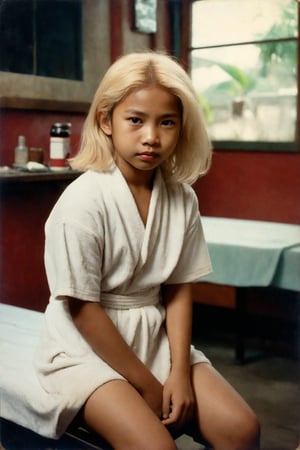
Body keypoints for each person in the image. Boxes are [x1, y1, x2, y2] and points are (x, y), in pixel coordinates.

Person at [34, 52, 260, 450]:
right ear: (106, 121)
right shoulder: (82, 202)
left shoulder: (182, 199)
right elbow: (83, 309)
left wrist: (178, 372)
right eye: (136, 120)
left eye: (166, 122)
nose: (151, 136)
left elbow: (177, 289)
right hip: (85, 347)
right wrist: (147, 386)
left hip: (154, 337)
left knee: (242, 429)